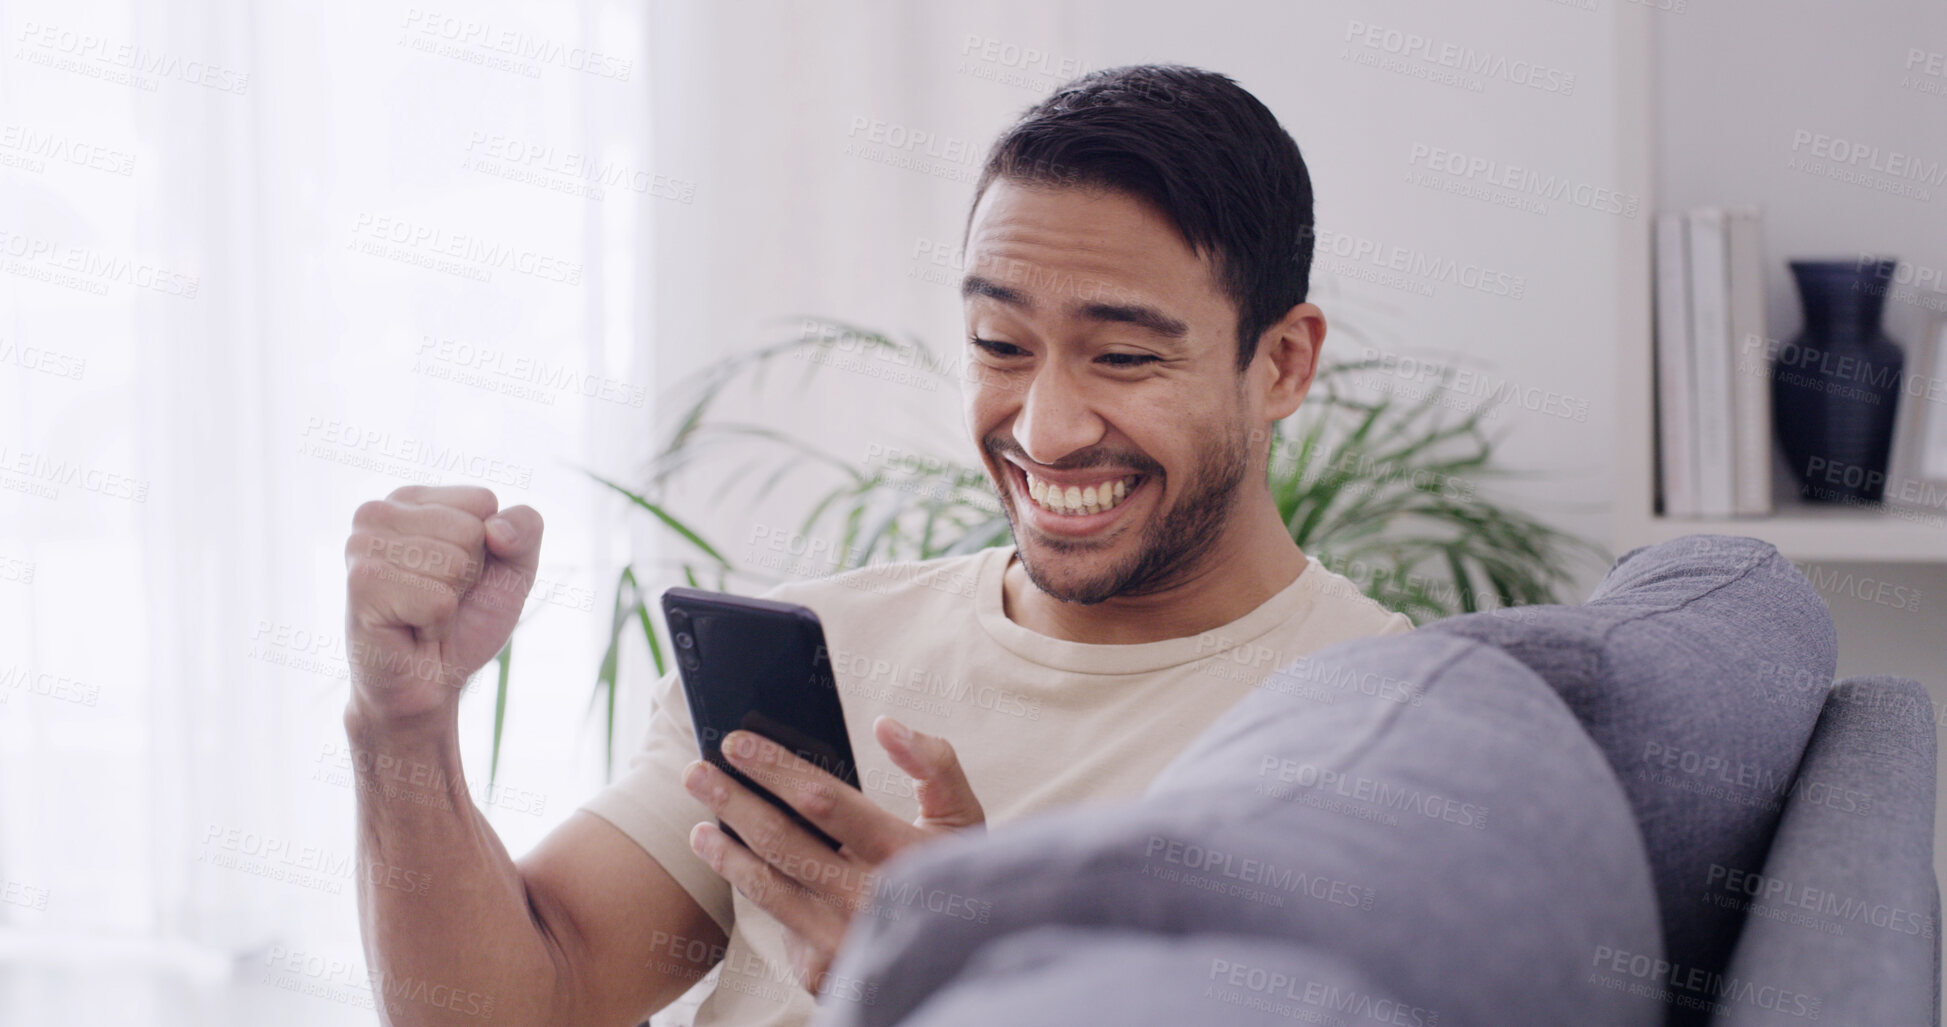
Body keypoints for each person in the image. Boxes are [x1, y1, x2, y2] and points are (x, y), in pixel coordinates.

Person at [341, 63, 1413, 1027]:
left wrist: (969, 991)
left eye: (1124, 355)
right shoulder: (830, 643)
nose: (1043, 430)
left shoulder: (1384, 730)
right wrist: (404, 726)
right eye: (1000, 345)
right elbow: (518, 1006)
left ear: (1280, 363)